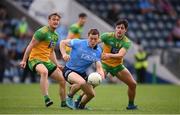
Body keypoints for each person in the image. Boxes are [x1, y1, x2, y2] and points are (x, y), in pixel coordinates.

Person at [19, 12, 66, 107]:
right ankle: (46, 98)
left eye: (57, 20)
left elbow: (51, 51)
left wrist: (57, 64)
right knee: (44, 72)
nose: (56, 21)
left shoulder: (55, 35)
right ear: (49, 21)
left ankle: (64, 103)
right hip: (34, 59)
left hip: (46, 60)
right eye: (53, 19)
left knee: (62, 80)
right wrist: (24, 60)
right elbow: (30, 45)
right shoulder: (42, 32)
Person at [60, 29, 104, 109]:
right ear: (88, 37)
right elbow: (62, 42)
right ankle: (69, 97)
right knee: (82, 82)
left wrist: (101, 74)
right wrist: (64, 54)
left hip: (82, 73)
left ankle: (81, 106)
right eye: (91, 38)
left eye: (95, 39)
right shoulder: (78, 42)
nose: (93, 41)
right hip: (69, 70)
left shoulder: (98, 51)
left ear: (98, 39)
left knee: (91, 94)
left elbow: (98, 66)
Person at [100, 19, 137, 110]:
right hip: (105, 65)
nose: (120, 29)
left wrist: (108, 55)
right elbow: (94, 42)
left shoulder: (127, 42)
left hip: (118, 66)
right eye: (118, 27)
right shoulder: (106, 36)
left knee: (133, 84)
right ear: (115, 28)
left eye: (122, 28)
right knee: (94, 82)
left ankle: (131, 105)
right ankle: (79, 101)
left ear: (125, 30)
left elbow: (120, 55)